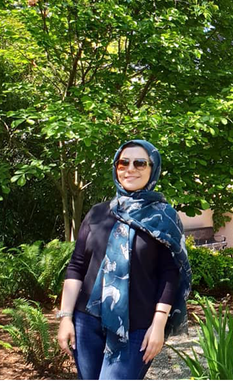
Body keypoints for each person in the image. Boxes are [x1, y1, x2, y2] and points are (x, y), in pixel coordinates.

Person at [56, 140, 192, 379]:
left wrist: (158, 325)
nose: (130, 168)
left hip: (137, 327)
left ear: (153, 168)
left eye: (140, 163)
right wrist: (66, 317)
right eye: (123, 162)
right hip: (86, 322)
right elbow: (77, 266)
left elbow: (170, 275)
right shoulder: (98, 213)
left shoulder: (164, 218)